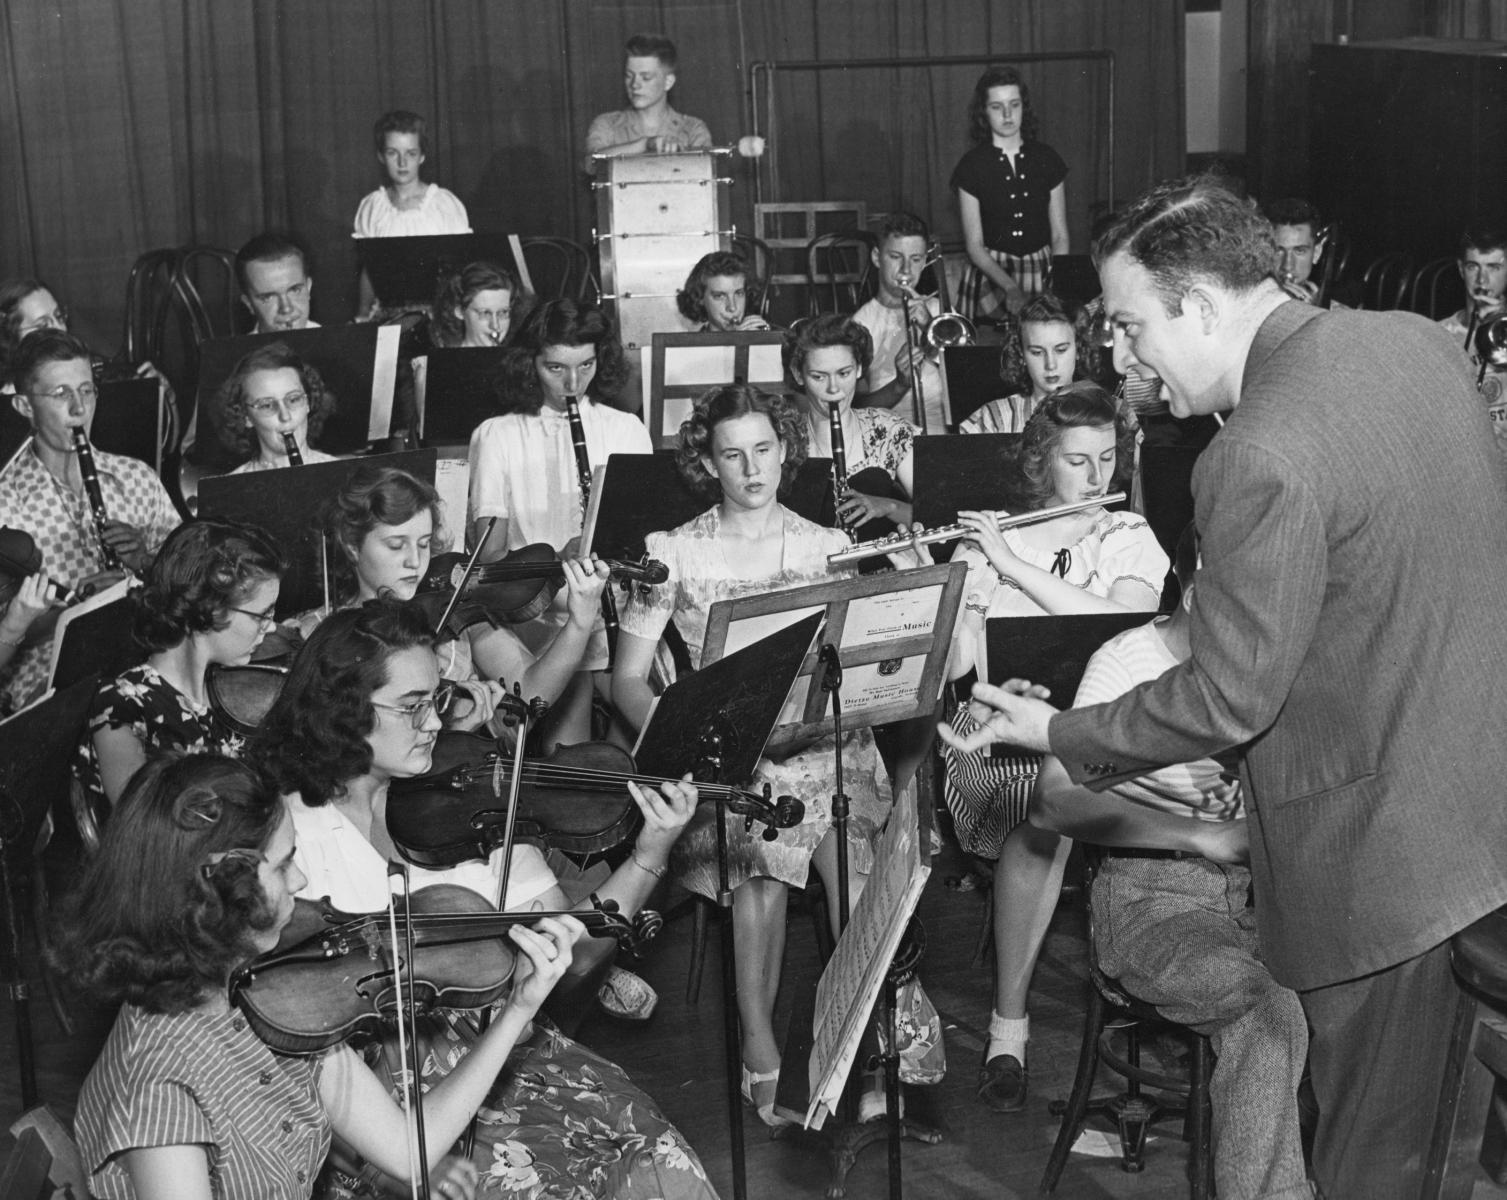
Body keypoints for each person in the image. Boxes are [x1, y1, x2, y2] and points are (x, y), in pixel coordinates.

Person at [942, 174, 1507, 1199]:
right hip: (1483, 813)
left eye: (1127, 325)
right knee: (1445, 1156)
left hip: (1379, 860)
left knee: (1368, 1168)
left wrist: (1062, 728)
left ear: (1200, 306)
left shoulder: (1254, 452)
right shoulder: (1419, 343)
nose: (1121, 358)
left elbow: (1227, 698)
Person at [251, 601, 720, 1199]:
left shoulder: (466, 799)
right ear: (345, 713)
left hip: (506, 1054)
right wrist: (383, 1167)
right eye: (413, 705)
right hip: (378, 1103)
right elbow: (293, 1053)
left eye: (437, 700)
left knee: (659, 1161)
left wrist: (649, 855)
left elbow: (569, 945)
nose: (434, 724)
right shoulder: (290, 842)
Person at [52, 752, 571, 1200]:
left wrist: (518, 1007)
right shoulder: (160, 1086)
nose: (301, 879)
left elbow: (407, 1149)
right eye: (283, 865)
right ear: (219, 891)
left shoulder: (272, 986)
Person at [613, 383, 903, 1127]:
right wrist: (690, 746)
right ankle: (759, 1048)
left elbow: (862, 662)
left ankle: (860, 1046)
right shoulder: (670, 552)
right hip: (732, 761)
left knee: (858, 872)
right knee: (762, 864)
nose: (750, 469)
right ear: (707, 462)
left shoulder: (830, 547)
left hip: (822, 743)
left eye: (764, 451)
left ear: (785, 452)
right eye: (731, 454)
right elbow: (625, 681)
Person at [1029, 525, 1311, 1200]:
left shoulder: (1263, 668)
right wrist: (1198, 836)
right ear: (1190, 583)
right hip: (1152, 901)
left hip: (1266, 899)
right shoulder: (1128, 665)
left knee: (1389, 987)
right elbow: (1057, 803)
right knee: (1267, 1018)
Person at [941, 381, 1166, 1113]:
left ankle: (1011, 1028)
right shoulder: (993, 540)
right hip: (995, 741)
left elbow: (1126, 617)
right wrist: (968, 610)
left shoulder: (1125, 535)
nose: (1096, 477)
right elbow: (960, 679)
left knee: (1062, 780)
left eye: (1107, 457)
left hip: (1106, 738)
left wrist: (1012, 569)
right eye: (1077, 460)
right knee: (1050, 786)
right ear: (1044, 462)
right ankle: (1011, 1022)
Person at [466, 300, 650, 744]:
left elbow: (649, 536)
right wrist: (558, 559)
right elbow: (489, 562)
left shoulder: (625, 428)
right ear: (529, 364)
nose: (573, 383)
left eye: (585, 365)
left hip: (620, 612)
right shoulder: (497, 434)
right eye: (555, 368)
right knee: (571, 754)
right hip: (542, 616)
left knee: (643, 750)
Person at [0, 331, 179, 713]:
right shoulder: (4, 501)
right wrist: (79, 611)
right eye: (61, 394)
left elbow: (192, 582)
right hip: (52, 684)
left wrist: (145, 564)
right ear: (24, 406)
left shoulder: (137, 476)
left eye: (87, 390)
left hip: (149, 655)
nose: (80, 408)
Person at [75, 518, 284, 813]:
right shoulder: (121, 702)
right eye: (261, 615)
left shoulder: (228, 687)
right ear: (209, 609)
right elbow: (141, 819)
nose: (271, 628)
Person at [951, 65, 1069, 323]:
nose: (1007, 114)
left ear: (1023, 108)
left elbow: (1060, 235)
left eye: (1014, 105)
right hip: (991, 275)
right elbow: (974, 245)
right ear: (984, 112)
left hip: (1042, 274)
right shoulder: (971, 167)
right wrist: (1011, 287)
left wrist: (1056, 283)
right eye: (997, 107)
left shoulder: (1047, 159)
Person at [789, 314, 915, 533]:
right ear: (798, 375)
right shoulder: (785, 440)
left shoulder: (888, 429)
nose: (833, 389)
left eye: (844, 373)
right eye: (819, 377)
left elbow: (938, 516)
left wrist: (889, 506)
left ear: (858, 369)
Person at [852, 212, 950, 433]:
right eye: (896, 257)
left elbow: (968, 377)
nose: (906, 269)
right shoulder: (861, 323)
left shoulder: (939, 311)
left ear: (925, 261)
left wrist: (931, 327)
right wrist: (899, 385)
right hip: (888, 433)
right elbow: (855, 407)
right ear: (877, 258)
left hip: (945, 433)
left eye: (915, 259)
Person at [959, 292, 1095, 435]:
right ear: (1021, 354)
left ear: (1078, 350)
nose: (1050, 365)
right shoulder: (992, 419)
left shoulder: (1102, 413)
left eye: (1060, 350)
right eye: (1037, 352)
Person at [583, 33, 712, 174]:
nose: (634, 85)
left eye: (646, 77)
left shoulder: (693, 129)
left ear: (668, 82)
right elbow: (591, 164)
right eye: (629, 76)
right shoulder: (607, 124)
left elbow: (707, 176)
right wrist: (645, 144)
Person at [212, 342, 338, 473]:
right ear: (246, 416)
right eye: (267, 405)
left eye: (293, 399)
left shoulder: (342, 472)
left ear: (308, 403)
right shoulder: (232, 487)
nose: (285, 416)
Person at [354, 110, 471, 241]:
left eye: (411, 153)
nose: (402, 162)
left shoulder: (444, 205)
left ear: (422, 156)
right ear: (381, 156)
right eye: (392, 153)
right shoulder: (373, 208)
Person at [1438, 226, 1507, 355]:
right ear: (1461, 269)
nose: (1482, 279)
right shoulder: (1440, 333)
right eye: (1473, 267)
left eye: (1493, 267)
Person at [236, 232, 320, 335]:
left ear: (308, 288)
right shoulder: (241, 350)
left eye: (295, 290)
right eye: (268, 297)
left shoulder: (335, 343)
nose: (286, 308)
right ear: (249, 303)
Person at [675, 251, 770, 332]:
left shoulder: (759, 333)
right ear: (699, 298)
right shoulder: (691, 350)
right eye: (720, 296)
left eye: (739, 293)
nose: (732, 307)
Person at [1263, 198, 1330, 305]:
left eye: (1299, 251)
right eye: (1278, 251)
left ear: (1316, 253)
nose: (1288, 266)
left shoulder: (1339, 314)